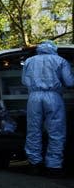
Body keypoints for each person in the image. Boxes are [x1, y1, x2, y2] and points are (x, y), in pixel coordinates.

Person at [22, 40, 74, 178]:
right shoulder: (60, 60)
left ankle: (35, 164)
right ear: (54, 48)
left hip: (34, 97)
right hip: (54, 97)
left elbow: (24, 81)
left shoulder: (29, 61)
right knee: (56, 131)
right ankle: (54, 166)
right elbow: (70, 82)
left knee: (33, 130)